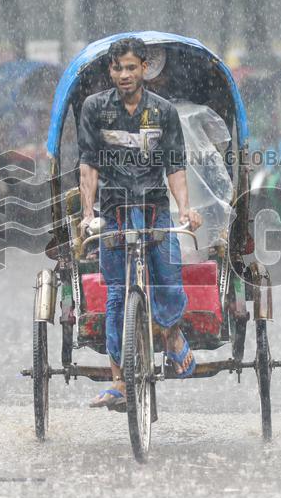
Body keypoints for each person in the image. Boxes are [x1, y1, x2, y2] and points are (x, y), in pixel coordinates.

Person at [78, 37, 203, 410]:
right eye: (118, 68)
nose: (124, 75)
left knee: (167, 277)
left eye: (131, 67)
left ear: (144, 69)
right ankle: (118, 379)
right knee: (117, 294)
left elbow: (175, 167)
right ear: (111, 70)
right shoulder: (95, 108)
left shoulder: (163, 111)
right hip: (113, 209)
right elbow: (89, 166)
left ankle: (172, 335)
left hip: (154, 208)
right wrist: (87, 214)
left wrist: (185, 209)